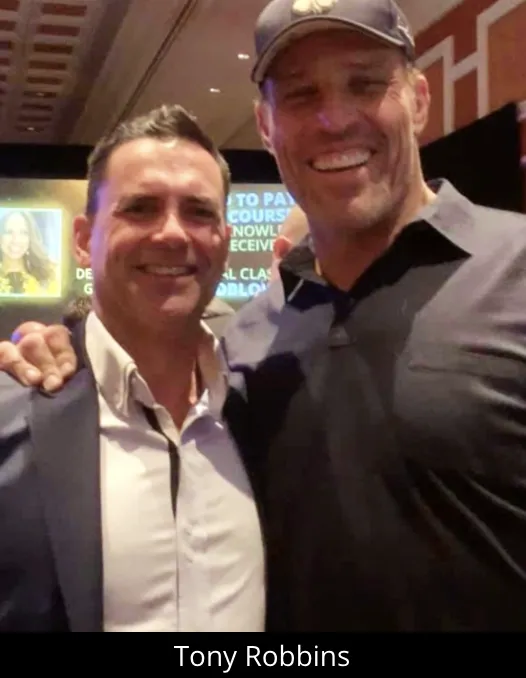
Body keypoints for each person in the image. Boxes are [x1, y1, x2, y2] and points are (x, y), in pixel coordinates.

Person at [4, 0, 526, 631]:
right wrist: (56, 351)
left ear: (418, 99)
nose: (335, 118)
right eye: (302, 94)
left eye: (365, 83)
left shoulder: (517, 272)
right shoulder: (249, 341)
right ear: (267, 126)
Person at [0, 103, 264, 631]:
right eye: (141, 209)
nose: (173, 234)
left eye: (199, 212)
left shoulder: (266, 413)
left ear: (225, 242)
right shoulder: (13, 419)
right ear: (83, 240)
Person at [0, 209, 59, 296]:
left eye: (23, 233)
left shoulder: (50, 273)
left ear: (30, 238)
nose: (16, 240)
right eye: (9, 232)